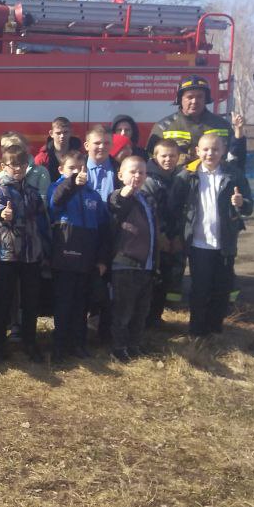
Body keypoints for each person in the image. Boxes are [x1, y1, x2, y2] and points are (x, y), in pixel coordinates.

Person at [168, 133, 253, 336]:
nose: (210, 153)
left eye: (215, 149)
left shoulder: (234, 175)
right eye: (205, 149)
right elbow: (173, 207)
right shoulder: (186, 176)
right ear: (197, 151)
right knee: (200, 289)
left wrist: (242, 204)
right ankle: (197, 332)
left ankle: (214, 330)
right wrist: (176, 234)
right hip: (198, 244)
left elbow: (249, 207)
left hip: (225, 243)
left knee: (222, 290)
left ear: (223, 151)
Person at [0, 144, 49, 363]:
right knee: (3, 301)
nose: (18, 168)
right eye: (14, 164)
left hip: (31, 255)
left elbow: (41, 216)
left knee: (31, 302)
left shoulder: (31, 190)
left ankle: (30, 342)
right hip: (6, 254)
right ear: (4, 166)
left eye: (22, 164)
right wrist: (2, 212)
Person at [47, 151, 110, 360]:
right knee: (63, 303)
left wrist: (101, 259)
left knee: (81, 304)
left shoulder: (93, 195)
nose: (78, 172)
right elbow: (55, 203)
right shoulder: (58, 188)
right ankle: (59, 346)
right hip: (64, 257)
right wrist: (72, 182)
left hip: (87, 258)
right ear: (61, 170)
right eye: (72, 168)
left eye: (81, 168)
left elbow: (103, 228)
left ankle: (79, 343)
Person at [107, 156, 157, 361]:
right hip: (125, 264)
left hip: (146, 264)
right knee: (123, 310)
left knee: (140, 309)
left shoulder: (145, 199)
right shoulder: (120, 196)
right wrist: (124, 193)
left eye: (141, 172)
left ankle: (134, 344)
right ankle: (118, 348)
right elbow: (116, 203)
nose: (137, 176)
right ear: (120, 175)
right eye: (132, 172)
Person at [146, 76, 246, 164]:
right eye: (190, 97)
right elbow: (151, 160)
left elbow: (236, 155)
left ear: (206, 99)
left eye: (199, 97)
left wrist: (239, 132)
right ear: (180, 99)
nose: (194, 101)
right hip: (177, 183)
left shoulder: (222, 125)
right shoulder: (164, 127)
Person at [143, 139, 183, 326]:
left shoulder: (182, 178)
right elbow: (150, 212)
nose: (168, 159)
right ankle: (145, 318)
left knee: (166, 277)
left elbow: (183, 209)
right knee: (152, 279)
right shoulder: (148, 180)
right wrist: (160, 236)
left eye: (172, 156)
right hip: (153, 238)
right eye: (164, 156)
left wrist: (177, 236)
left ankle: (156, 317)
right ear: (155, 157)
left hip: (174, 237)